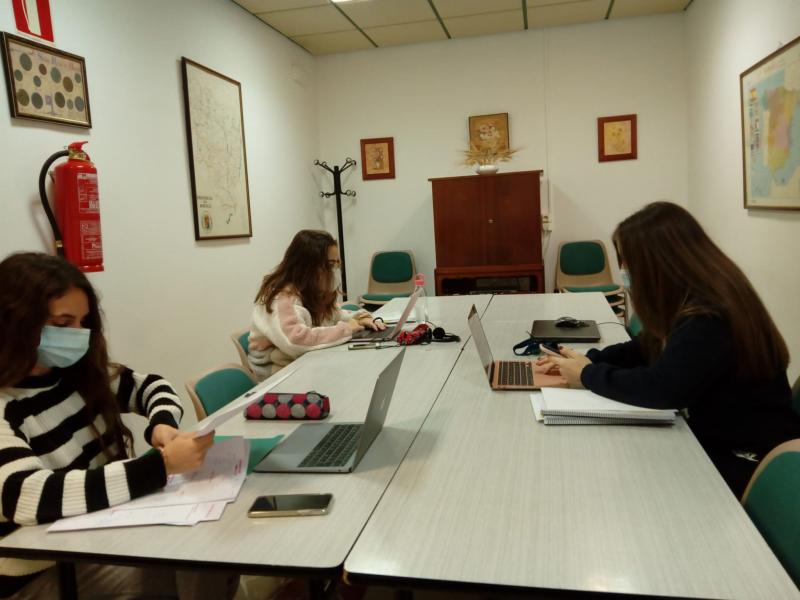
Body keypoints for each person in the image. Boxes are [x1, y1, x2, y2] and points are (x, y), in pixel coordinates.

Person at [0, 252, 236, 599]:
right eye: (63, 324)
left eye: (83, 322)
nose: (77, 335)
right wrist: (161, 465)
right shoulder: (6, 404)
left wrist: (161, 423)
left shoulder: (77, 376)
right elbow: (27, 494)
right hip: (41, 568)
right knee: (173, 565)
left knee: (212, 547)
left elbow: (154, 387)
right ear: (16, 322)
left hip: (97, 530)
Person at [539, 202, 800, 498]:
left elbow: (662, 389)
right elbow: (646, 347)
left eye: (628, 262)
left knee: (623, 481)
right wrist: (589, 360)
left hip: (748, 462)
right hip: (718, 436)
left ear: (659, 263)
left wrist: (588, 375)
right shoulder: (698, 297)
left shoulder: (710, 316)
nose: (624, 271)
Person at [247, 230, 385, 379]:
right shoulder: (281, 297)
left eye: (337, 264)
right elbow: (297, 340)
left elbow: (334, 315)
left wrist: (360, 318)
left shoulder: (311, 288)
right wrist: (346, 329)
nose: (335, 271)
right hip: (277, 376)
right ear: (308, 265)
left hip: (305, 363)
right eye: (330, 265)